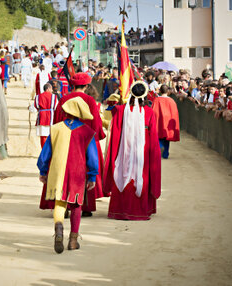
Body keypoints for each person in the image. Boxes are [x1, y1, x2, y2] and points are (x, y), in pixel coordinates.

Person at [37, 97, 98, 253]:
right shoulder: (87, 132)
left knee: (60, 202)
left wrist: (43, 171)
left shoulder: (55, 128)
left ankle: (58, 229)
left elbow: (45, 154)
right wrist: (92, 176)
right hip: (77, 172)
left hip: (58, 171)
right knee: (76, 205)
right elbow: (92, 158)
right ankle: (72, 241)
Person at [103, 81, 162, 220]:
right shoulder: (149, 112)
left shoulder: (120, 110)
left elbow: (115, 133)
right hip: (144, 149)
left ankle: (120, 210)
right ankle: (140, 210)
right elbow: (153, 136)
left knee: (122, 173)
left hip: (124, 150)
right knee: (142, 175)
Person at [52, 73, 106, 216]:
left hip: (65, 139)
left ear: (72, 85)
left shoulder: (63, 99)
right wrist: (97, 137)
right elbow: (95, 123)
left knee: (64, 169)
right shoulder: (90, 100)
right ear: (87, 86)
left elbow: (56, 121)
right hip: (85, 141)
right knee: (85, 170)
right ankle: (85, 207)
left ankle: (63, 204)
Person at [151, 84, 181, 159]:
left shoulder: (156, 100)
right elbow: (175, 113)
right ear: (168, 91)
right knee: (167, 138)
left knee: (159, 136)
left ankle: (160, 148)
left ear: (160, 91)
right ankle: (165, 153)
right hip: (168, 120)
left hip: (159, 119)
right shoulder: (171, 101)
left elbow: (153, 111)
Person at [34, 83, 57, 147]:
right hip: (51, 117)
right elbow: (56, 107)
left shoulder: (38, 96)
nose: (52, 90)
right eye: (51, 89)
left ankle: (43, 151)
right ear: (48, 88)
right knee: (51, 135)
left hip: (41, 117)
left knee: (43, 136)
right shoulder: (54, 97)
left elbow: (36, 106)